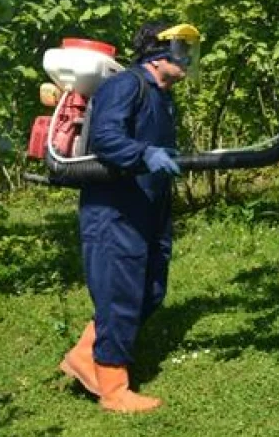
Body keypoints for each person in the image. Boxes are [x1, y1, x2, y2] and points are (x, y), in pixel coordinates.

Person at [57, 21, 199, 413]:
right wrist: (144, 155)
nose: (187, 59)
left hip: (148, 206)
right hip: (114, 210)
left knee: (150, 290)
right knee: (120, 294)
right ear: (158, 51)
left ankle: (87, 355)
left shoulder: (163, 96)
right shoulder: (126, 85)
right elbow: (106, 138)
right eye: (181, 49)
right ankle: (113, 388)